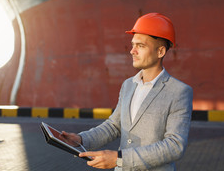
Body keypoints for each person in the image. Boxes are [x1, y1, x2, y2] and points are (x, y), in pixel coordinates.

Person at [61, 13, 193, 170]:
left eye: (140, 46)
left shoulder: (179, 92)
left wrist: (119, 159)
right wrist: (81, 139)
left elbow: (174, 146)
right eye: (133, 45)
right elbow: (114, 126)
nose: (132, 51)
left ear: (160, 52)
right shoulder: (128, 85)